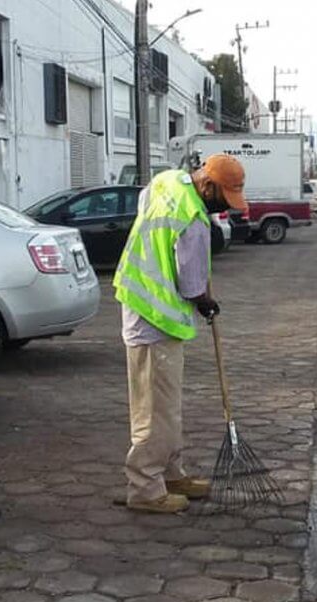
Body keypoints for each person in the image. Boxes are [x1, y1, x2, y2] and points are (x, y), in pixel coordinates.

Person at [113, 154, 248, 514]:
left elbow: (146, 204)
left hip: (145, 306)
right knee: (154, 410)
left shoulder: (169, 181)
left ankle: (170, 474)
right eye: (223, 200)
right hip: (154, 317)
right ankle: (144, 487)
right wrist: (207, 302)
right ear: (207, 186)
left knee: (167, 406)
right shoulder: (194, 219)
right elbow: (191, 286)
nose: (224, 209)